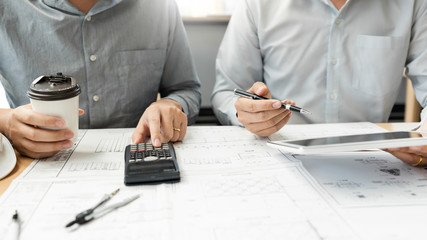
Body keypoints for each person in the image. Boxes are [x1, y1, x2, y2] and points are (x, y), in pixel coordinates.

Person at [211, 0, 427, 166]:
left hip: (372, 160)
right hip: (279, 159)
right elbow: (227, 91)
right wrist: (245, 113)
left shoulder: (414, 4)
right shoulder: (257, 4)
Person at [0, 0, 201, 159]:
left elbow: (186, 88)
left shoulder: (160, 6)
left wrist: (170, 105)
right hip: (32, 168)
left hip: (141, 157)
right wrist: (6, 123)